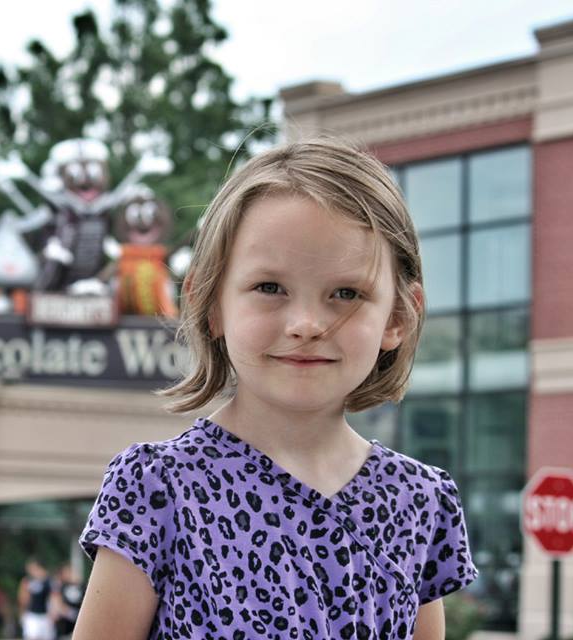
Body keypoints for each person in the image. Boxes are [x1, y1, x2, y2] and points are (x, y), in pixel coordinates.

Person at [73, 137, 479, 639]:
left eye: (346, 293)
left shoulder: (419, 502)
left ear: (398, 316)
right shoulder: (156, 488)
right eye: (270, 288)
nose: (306, 324)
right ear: (208, 302)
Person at [18, 558, 54, 640]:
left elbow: (52, 597)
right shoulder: (27, 581)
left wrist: (52, 612)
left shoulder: (48, 581)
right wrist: (22, 612)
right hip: (32, 614)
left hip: (45, 615)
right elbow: (23, 599)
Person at [51, 563, 85, 639]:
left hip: (78, 618)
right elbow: (56, 600)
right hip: (64, 621)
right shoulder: (60, 585)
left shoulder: (81, 586)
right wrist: (67, 612)